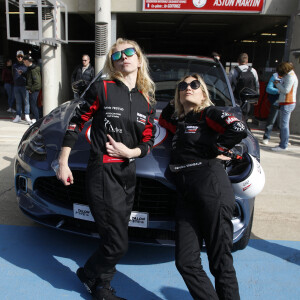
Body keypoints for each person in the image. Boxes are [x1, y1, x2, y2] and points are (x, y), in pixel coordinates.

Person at [56, 38, 156, 300]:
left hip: (128, 175)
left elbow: (148, 140)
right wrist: (64, 162)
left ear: (139, 57)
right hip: (102, 173)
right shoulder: (102, 88)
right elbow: (76, 122)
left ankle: (102, 288)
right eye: (117, 55)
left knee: (115, 235)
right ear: (112, 63)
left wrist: (131, 152)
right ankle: (88, 273)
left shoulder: (146, 100)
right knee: (118, 243)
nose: (124, 57)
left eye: (129, 52)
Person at [159, 73, 247, 300]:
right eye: (182, 86)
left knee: (220, 261)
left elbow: (238, 129)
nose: (188, 88)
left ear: (203, 93)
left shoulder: (209, 113)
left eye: (194, 85)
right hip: (185, 193)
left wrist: (218, 149)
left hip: (211, 186)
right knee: (186, 262)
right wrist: (175, 100)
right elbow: (163, 119)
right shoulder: (177, 122)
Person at [271, 62, 298, 151]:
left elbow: (286, 90)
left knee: (284, 125)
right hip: (287, 102)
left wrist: (277, 84)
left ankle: (283, 145)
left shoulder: (290, 77)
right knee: (283, 125)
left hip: (287, 102)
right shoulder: (290, 75)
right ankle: (283, 143)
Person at [262, 71, 282, 145]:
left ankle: (283, 139)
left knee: (282, 122)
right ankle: (266, 137)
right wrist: (279, 91)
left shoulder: (289, 77)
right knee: (271, 120)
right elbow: (268, 88)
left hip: (285, 102)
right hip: (276, 101)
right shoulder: (275, 76)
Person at [12, 50, 31, 124]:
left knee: (26, 102)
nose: (20, 58)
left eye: (21, 56)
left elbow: (29, 76)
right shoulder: (14, 65)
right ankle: (18, 115)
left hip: (24, 86)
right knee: (18, 102)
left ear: (23, 57)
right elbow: (12, 74)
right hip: (16, 85)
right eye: (18, 56)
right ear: (16, 57)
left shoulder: (26, 65)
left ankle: (27, 115)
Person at [22, 55, 42, 124]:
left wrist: (31, 89)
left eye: (24, 62)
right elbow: (29, 77)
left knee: (34, 106)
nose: (24, 63)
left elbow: (37, 83)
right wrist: (22, 74)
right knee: (34, 105)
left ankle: (37, 120)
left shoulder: (33, 70)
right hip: (32, 90)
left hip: (34, 91)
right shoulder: (30, 68)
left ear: (27, 61)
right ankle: (36, 119)